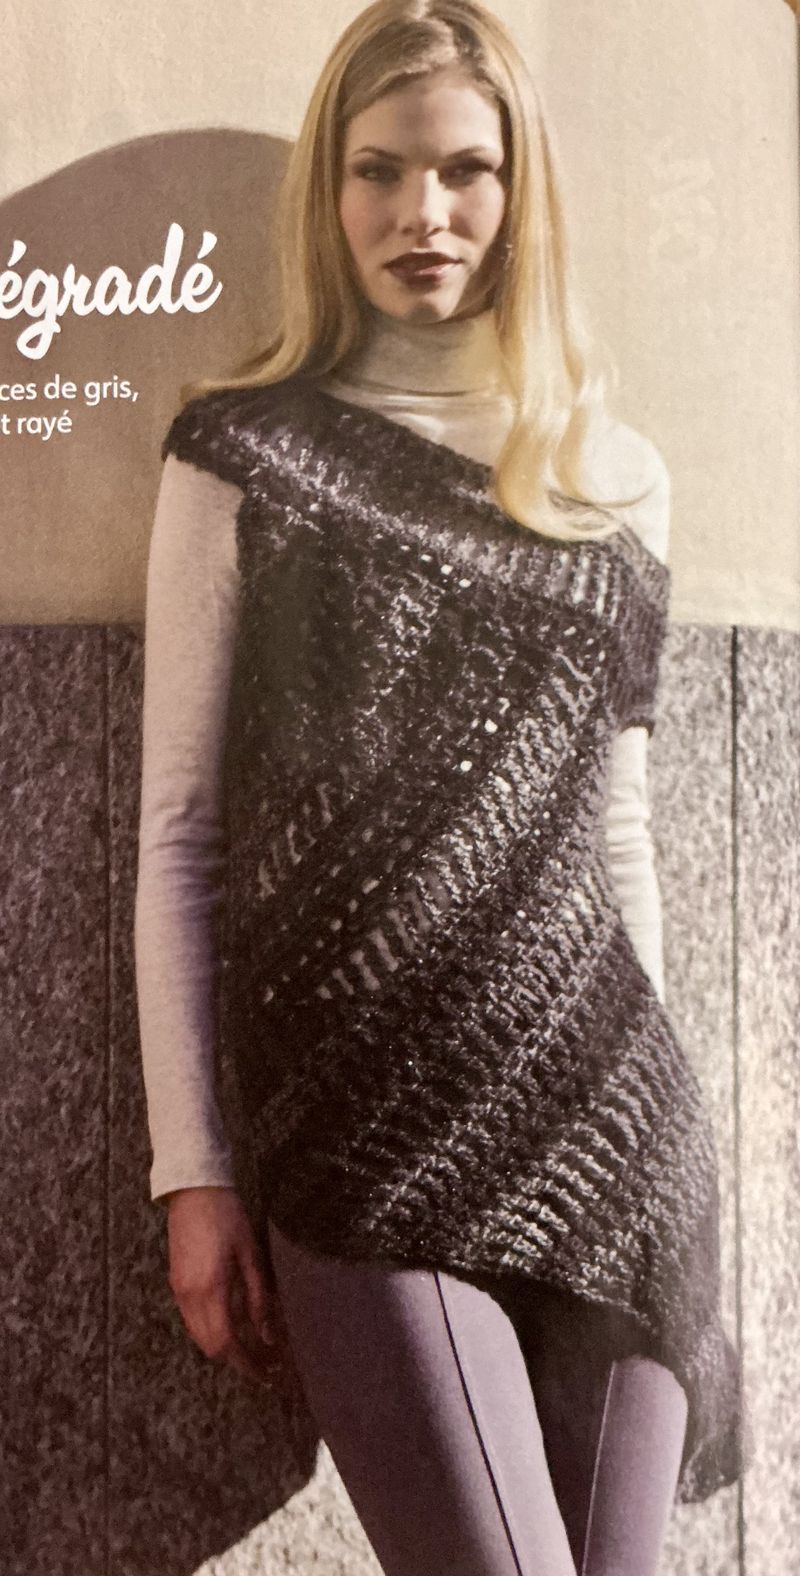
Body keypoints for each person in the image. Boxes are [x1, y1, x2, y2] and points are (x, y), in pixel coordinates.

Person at [134, 2, 746, 1572]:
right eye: (380, 171)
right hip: (360, 1137)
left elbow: (619, 830)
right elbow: (183, 834)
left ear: (519, 187)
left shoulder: (612, 477)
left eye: (467, 170)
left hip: (611, 1135)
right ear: (329, 194)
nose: (425, 211)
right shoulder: (245, 456)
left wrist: (632, 1106)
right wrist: (194, 1173)